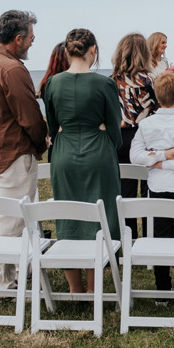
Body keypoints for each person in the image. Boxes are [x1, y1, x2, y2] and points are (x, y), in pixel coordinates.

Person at [0, 10, 47, 293]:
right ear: (18, 39)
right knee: (11, 221)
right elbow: (30, 117)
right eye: (31, 39)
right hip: (14, 154)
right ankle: (1, 285)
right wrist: (42, 143)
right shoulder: (13, 69)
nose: (31, 44)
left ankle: (19, 269)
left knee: (18, 217)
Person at [44, 28, 123, 294]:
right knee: (98, 219)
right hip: (98, 153)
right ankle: (93, 289)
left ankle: (75, 290)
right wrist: (110, 146)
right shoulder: (105, 84)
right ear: (93, 50)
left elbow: (53, 126)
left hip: (64, 156)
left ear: (67, 52)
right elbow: (115, 127)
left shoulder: (52, 84)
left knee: (68, 217)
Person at [129, 70, 174, 300]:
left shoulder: (146, 124)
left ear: (157, 98)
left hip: (158, 187)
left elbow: (137, 156)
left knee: (159, 237)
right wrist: (165, 156)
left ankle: (163, 291)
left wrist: (159, 163)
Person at [112, 32, 158, 237]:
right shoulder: (150, 81)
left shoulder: (110, 82)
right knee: (149, 189)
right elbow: (158, 109)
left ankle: (129, 238)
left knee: (125, 192)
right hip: (147, 138)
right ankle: (149, 236)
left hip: (121, 139)